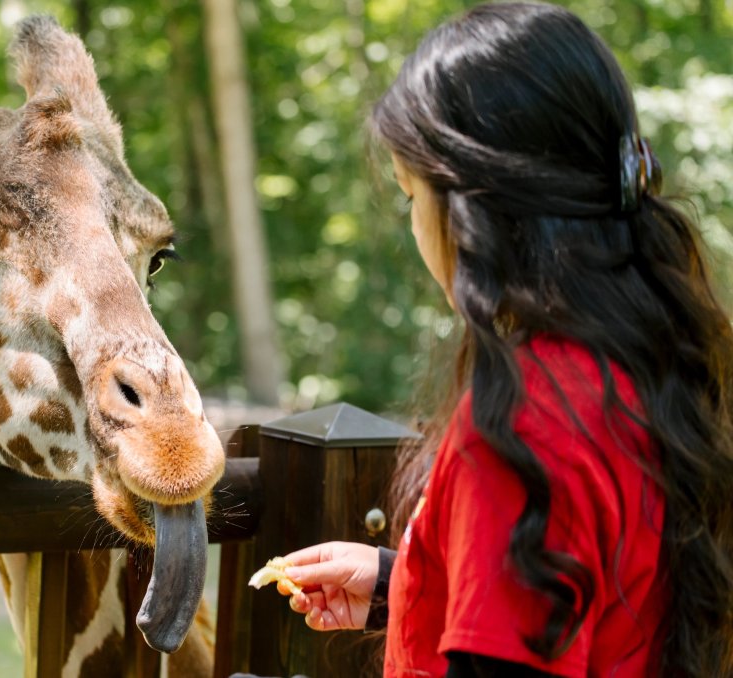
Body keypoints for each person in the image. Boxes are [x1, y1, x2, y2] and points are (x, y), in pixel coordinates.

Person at [271, 3, 733, 677]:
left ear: (471, 204)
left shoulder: (520, 428)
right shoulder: (648, 369)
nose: (415, 226)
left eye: (410, 194)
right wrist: (404, 584)